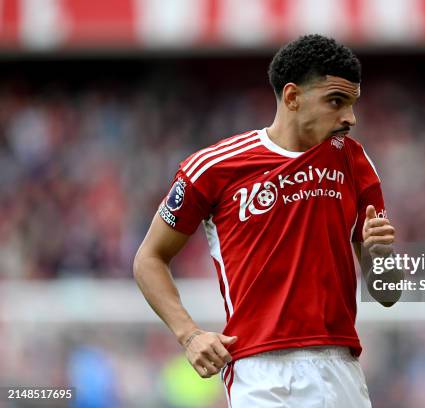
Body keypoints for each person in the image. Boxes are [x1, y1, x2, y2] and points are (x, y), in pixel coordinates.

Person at [134, 34, 402, 407]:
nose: (350, 118)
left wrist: (381, 254)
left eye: (353, 103)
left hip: (341, 367)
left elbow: (388, 293)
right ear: (292, 97)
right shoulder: (214, 168)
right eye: (336, 102)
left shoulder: (354, 163)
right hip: (261, 373)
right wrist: (189, 334)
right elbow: (148, 259)